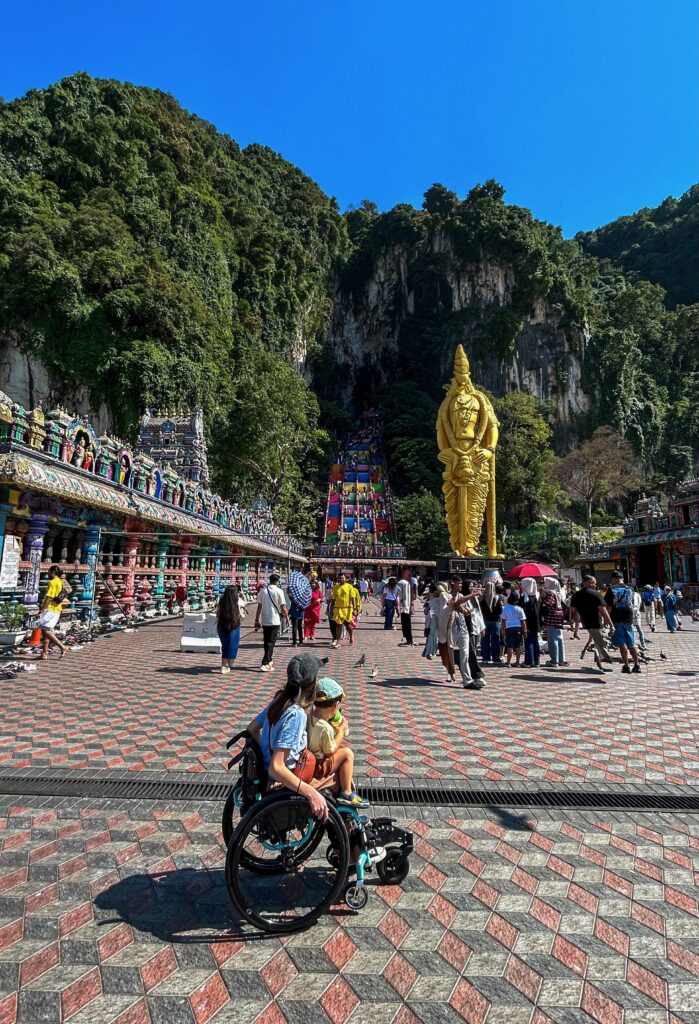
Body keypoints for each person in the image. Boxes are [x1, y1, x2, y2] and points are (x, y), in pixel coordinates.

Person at [245, 653, 329, 821]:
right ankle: (349, 839)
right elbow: (277, 767)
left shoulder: (278, 701)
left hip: (270, 769)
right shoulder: (296, 714)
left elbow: (252, 728)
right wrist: (310, 793)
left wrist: (267, 751)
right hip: (291, 775)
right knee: (342, 763)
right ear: (312, 684)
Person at [307, 677, 362, 805]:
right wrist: (341, 731)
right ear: (335, 705)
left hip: (311, 758)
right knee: (347, 753)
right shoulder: (325, 728)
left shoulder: (310, 716)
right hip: (319, 765)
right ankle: (347, 793)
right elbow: (329, 750)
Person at [570, 575, 614, 672]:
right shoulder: (595, 594)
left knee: (597, 641)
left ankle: (598, 660)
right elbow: (603, 610)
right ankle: (607, 659)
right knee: (603, 643)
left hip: (586, 622)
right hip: (596, 622)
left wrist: (574, 621)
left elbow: (573, 611)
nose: (594, 585)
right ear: (587, 583)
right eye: (593, 582)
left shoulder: (576, 595)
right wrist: (611, 624)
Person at [604, 571, 641, 674]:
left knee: (622, 642)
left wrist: (607, 620)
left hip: (616, 617)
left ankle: (626, 665)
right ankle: (637, 664)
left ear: (613, 579)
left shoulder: (611, 590)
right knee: (631, 641)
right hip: (628, 617)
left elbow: (609, 607)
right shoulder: (630, 589)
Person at [254, 573, 289, 673]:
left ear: (270, 580)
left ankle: (269, 660)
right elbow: (283, 607)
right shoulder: (279, 591)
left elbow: (259, 607)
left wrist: (257, 619)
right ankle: (265, 662)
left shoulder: (263, 591)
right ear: (277, 581)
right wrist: (286, 617)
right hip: (275, 620)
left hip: (265, 620)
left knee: (267, 641)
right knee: (271, 642)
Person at [38, 565, 68, 660]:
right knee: (47, 631)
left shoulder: (52, 582)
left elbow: (49, 597)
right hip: (57, 608)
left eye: (48, 572)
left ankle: (62, 647)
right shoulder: (59, 581)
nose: (48, 573)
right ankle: (44, 653)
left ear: (52, 572)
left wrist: (42, 609)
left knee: (45, 630)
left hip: (50, 609)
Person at [216, 584, 245, 674]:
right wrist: (243, 594)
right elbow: (245, 603)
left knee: (225, 644)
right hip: (234, 624)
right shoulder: (238, 601)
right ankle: (226, 664)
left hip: (222, 624)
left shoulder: (221, 600)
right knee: (232, 644)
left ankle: (226, 664)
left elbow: (218, 613)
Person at [541, 578, 567, 668]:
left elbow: (548, 604)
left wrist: (543, 599)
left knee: (553, 639)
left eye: (545, 583)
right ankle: (561, 659)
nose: (544, 585)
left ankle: (554, 660)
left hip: (552, 618)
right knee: (559, 639)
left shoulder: (551, 594)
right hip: (559, 618)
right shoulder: (558, 593)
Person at [479, 580, 504, 665]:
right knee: (495, 640)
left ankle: (485, 658)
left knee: (485, 640)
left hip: (485, 620)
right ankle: (496, 658)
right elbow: (501, 610)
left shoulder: (482, 598)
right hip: (496, 621)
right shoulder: (497, 598)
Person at [331, 574, 359, 648]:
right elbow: (333, 600)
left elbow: (353, 598)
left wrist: (355, 609)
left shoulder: (349, 587)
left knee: (348, 626)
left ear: (346, 579)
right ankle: (337, 641)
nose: (341, 580)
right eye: (340, 578)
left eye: (343, 578)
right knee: (338, 625)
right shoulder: (335, 587)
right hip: (338, 609)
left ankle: (351, 635)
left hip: (347, 609)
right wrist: (331, 610)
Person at [435, 584, 456, 683]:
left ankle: (450, 673)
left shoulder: (443, 596)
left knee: (446, 652)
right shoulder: (447, 596)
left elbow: (445, 611)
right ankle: (450, 673)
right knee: (447, 652)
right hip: (446, 629)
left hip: (445, 629)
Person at [519, 578, 542, 668]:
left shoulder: (525, 597)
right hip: (536, 623)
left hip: (527, 623)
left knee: (528, 641)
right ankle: (536, 661)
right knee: (535, 641)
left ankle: (529, 661)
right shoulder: (537, 596)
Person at [500, 591, 527, 667]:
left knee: (510, 646)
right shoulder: (520, 608)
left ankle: (508, 662)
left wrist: (503, 629)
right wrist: (525, 631)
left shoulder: (506, 608)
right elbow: (523, 621)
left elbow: (503, 620)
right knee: (518, 646)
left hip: (509, 628)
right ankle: (517, 662)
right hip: (518, 628)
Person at [397, 568, 414, 646]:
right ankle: (409, 639)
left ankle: (409, 640)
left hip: (404, 606)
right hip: (406, 606)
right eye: (408, 573)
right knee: (407, 623)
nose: (409, 575)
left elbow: (400, 596)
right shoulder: (404, 583)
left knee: (405, 624)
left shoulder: (403, 583)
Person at [632, 586, 648, 652]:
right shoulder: (638, 595)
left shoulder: (631, 595)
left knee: (632, 629)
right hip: (637, 613)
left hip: (632, 613)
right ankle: (643, 644)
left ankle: (633, 644)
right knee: (639, 629)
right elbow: (640, 604)